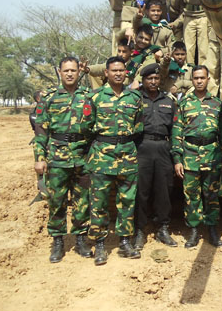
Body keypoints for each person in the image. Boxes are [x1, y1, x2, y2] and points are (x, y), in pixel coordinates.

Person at [83, 56, 143, 265]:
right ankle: (100, 244)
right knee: (99, 202)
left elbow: (139, 125)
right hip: (102, 156)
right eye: (114, 70)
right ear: (106, 73)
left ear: (126, 73)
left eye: (121, 70)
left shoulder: (135, 98)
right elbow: (86, 126)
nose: (118, 73)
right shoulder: (96, 97)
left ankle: (125, 242)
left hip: (127, 154)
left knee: (127, 201)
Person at [33, 57, 92, 262]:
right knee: (56, 201)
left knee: (82, 202)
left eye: (73, 70)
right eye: (66, 70)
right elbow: (41, 129)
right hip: (57, 157)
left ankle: (81, 240)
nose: (69, 74)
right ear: (59, 72)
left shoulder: (88, 96)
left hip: (82, 157)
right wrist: (40, 158)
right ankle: (57, 241)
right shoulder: (49, 97)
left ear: (78, 72)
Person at [174, 65, 222, 248]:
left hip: (211, 155)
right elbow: (177, 132)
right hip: (190, 154)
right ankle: (194, 230)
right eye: (196, 78)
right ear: (192, 80)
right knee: (191, 196)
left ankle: (212, 230)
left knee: (212, 195)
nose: (199, 81)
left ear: (208, 79)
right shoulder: (184, 103)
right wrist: (177, 159)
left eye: (202, 78)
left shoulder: (216, 103)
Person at [133, 64, 180, 251]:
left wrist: (175, 155)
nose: (153, 82)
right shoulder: (135, 99)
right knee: (141, 191)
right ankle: (139, 230)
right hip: (142, 146)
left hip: (162, 147)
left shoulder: (168, 101)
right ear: (143, 80)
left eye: (156, 78)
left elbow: (175, 129)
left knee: (164, 190)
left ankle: (163, 228)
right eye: (149, 79)